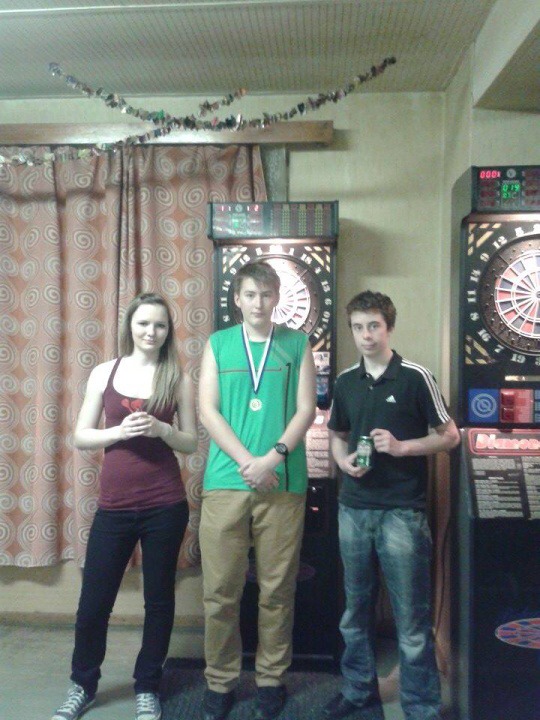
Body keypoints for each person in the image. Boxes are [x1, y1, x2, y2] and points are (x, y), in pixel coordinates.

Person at [51, 292, 198, 720]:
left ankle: (148, 686)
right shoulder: (104, 372)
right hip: (114, 507)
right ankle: (83, 685)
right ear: (130, 327)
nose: (151, 332)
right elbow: (81, 436)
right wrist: (118, 432)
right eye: (143, 323)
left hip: (165, 505)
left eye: (160, 325)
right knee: (94, 604)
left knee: (159, 602)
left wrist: (162, 430)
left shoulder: (178, 378)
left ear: (168, 331)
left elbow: (190, 443)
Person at [321, 290, 460, 720]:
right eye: (358, 327)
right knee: (355, 612)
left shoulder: (416, 377)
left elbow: (450, 436)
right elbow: (337, 434)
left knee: (411, 620)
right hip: (353, 509)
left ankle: (421, 707)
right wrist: (342, 461)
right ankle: (358, 690)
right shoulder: (345, 381)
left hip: (402, 512)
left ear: (389, 327)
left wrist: (402, 447)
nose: (366, 335)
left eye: (374, 326)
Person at [198, 260, 316, 720]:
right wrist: (248, 462)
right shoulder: (218, 344)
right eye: (250, 294)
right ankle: (220, 680)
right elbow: (208, 411)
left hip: (282, 482)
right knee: (220, 591)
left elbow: (306, 409)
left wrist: (273, 458)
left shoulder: (297, 344)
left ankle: (270, 679)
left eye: (266, 294)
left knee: (277, 591)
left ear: (277, 297)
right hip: (226, 482)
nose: (259, 303)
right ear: (237, 299)